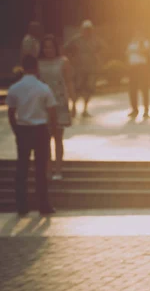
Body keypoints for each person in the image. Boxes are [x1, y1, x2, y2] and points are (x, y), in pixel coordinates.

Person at [6, 55, 57, 215]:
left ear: (23, 66)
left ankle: (22, 206)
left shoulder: (15, 88)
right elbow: (52, 111)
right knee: (40, 169)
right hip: (40, 129)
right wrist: (51, 130)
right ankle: (44, 205)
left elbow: (11, 112)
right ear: (36, 67)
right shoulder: (43, 88)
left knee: (22, 168)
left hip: (23, 129)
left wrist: (17, 130)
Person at [38, 35, 75, 180]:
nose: (48, 50)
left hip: (59, 102)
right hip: (43, 104)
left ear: (55, 48)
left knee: (58, 137)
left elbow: (69, 82)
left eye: (51, 47)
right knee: (45, 138)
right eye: (46, 47)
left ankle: (58, 169)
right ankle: (48, 169)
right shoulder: (39, 63)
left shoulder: (63, 62)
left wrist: (73, 102)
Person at [65, 20, 105, 118]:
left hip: (91, 69)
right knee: (77, 89)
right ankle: (73, 107)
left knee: (89, 89)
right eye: (86, 29)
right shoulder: (76, 40)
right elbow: (66, 49)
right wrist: (71, 60)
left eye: (89, 29)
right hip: (79, 70)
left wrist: (98, 60)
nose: (88, 31)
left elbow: (103, 49)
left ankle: (85, 109)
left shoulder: (96, 40)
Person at [126, 29, 150, 119]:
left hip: (142, 67)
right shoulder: (131, 43)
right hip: (133, 68)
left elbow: (145, 52)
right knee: (132, 89)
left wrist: (139, 46)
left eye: (139, 34)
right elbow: (127, 53)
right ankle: (134, 109)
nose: (137, 35)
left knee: (144, 89)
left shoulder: (145, 42)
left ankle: (146, 109)